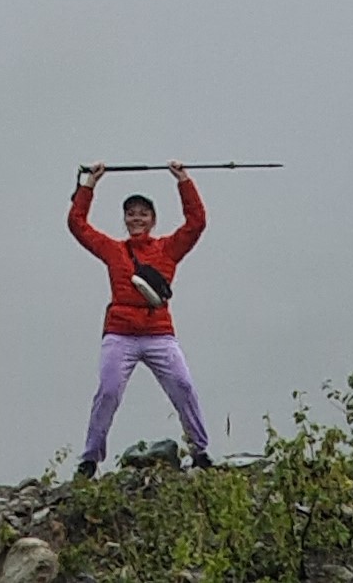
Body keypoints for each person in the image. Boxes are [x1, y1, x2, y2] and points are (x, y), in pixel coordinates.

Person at [66, 159, 212, 476]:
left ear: (153, 219)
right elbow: (78, 224)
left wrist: (183, 181)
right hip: (119, 334)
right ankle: (89, 459)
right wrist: (89, 185)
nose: (137, 218)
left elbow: (196, 222)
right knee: (108, 392)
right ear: (125, 220)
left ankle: (200, 452)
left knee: (183, 387)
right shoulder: (114, 250)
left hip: (159, 334)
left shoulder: (168, 249)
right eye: (131, 213)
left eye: (143, 213)